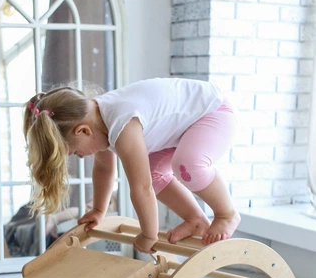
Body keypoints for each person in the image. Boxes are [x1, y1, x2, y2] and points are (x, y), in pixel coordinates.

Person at [23, 78, 240, 253]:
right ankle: (195, 219)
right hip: (182, 128)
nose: (80, 157)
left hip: (214, 112)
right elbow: (104, 170)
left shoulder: (123, 125)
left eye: (74, 151)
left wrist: (149, 235)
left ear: (83, 131)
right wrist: (98, 210)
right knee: (155, 174)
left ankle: (226, 214)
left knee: (187, 165)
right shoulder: (97, 120)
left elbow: (141, 188)